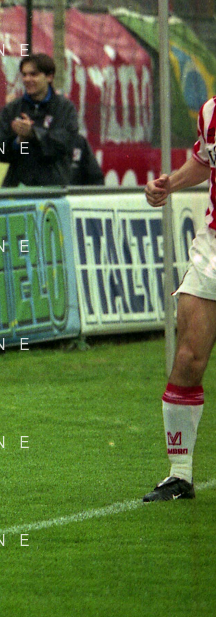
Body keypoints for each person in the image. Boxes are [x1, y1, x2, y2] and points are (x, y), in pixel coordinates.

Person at [141, 94, 216, 501]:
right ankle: (180, 474)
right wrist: (170, 183)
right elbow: (204, 161)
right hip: (212, 247)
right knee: (188, 357)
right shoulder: (210, 111)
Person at [0, 53, 79, 187]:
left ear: (49, 77)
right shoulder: (12, 109)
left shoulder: (64, 108)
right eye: (24, 75)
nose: (27, 79)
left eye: (33, 74)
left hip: (53, 190)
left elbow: (64, 144)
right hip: (18, 189)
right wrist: (18, 141)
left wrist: (33, 134)